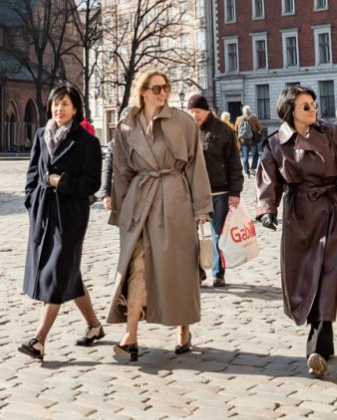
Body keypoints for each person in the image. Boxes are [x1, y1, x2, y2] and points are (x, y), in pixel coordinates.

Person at [256, 84, 337, 377]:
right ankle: (325, 340)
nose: (313, 110)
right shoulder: (275, 143)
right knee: (301, 276)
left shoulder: (331, 134)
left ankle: (316, 347)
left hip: (332, 209)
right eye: (305, 106)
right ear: (289, 111)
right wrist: (267, 210)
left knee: (328, 274)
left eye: (313, 104)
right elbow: (268, 179)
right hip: (297, 215)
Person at [104, 69, 212, 361]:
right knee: (136, 266)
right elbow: (121, 172)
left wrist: (201, 208)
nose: (162, 93)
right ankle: (131, 335)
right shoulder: (126, 125)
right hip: (140, 203)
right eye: (156, 88)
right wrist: (120, 212)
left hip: (174, 200)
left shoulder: (184, 122)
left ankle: (183, 329)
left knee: (178, 269)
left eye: (165, 87)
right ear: (142, 92)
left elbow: (196, 166)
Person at [18, 86, 104, 361]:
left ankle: (39, 340)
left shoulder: (88, 142)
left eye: (65, 104)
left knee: (56, 274)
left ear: (75, 108)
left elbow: (92, 183)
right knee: (70, 274)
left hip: (71, 217)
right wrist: (32, 200)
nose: (59, 109)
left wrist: (62, 182)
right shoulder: (41, 135)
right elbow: (33, 173)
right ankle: (95, 326)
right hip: (44, 214)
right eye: (56, 104)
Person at [188, 94, 243, 289]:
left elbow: (234, 163)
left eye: (198, 111)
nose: (194, 115)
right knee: (190, 236)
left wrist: (235, 192)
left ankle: (218, 274)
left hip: (220, 192)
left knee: (218, 234)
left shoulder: (224, 130)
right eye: (191, 112)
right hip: (193, 193)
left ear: (207, 111)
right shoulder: (187, 130)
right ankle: (197, 272)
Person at [237, 105, 263, 176]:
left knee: (245, 157)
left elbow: (236, 129)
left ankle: (247, 172)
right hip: (252, 140)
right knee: (255, 154)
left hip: (243, 140)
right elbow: (260, 128)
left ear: (243, 111)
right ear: (250, 111)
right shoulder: (253, 118)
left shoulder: (239, 119)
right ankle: (252, 168)